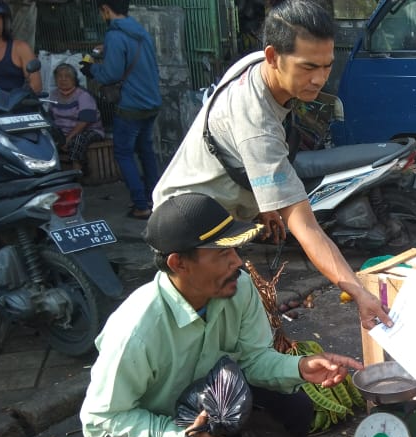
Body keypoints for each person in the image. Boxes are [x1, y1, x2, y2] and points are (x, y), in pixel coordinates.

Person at [80, 193, 362, 437]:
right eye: (222, 254)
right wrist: (179, 436)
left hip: (205, 400)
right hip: (134, 421)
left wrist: (300, 367)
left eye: (235, 251)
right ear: (179, 263)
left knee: (294, 408)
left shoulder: (237, 289)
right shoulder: (136, 329)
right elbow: (106, 415)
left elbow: (253, 361)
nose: (237, 263)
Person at [152, 0, 391, 331]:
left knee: (236, 316)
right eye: (308, 67)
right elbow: (306, 228)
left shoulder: (254, 65)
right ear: (272, 56)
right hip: (188, 226)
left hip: (223, 215)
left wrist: (266, 203)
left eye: (326, 66)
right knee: (197, 324)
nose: (319, 79)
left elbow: (240, 155)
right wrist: (359, 292)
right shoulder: (258, 126)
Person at [81, 0, 161, 219]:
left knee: (124, 153)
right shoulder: (140, 31)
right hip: (151, 101)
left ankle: (141, 205)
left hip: (131, 106)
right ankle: (155, 199)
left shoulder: (115, 36)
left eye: (101, 12)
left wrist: (91, 69)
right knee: (146, 151)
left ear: (106, 9)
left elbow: (112, 74)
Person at [49, 63, 104, 173]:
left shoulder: (83, 95)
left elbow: (85, 121)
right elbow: (50, 119)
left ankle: (78, 171)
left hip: (89, 130)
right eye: (59, 76)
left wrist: (67, 139)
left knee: (77, 140)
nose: (63, 79)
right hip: (63, 132)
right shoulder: (53, 95)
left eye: (67, 76)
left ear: (74, 79)